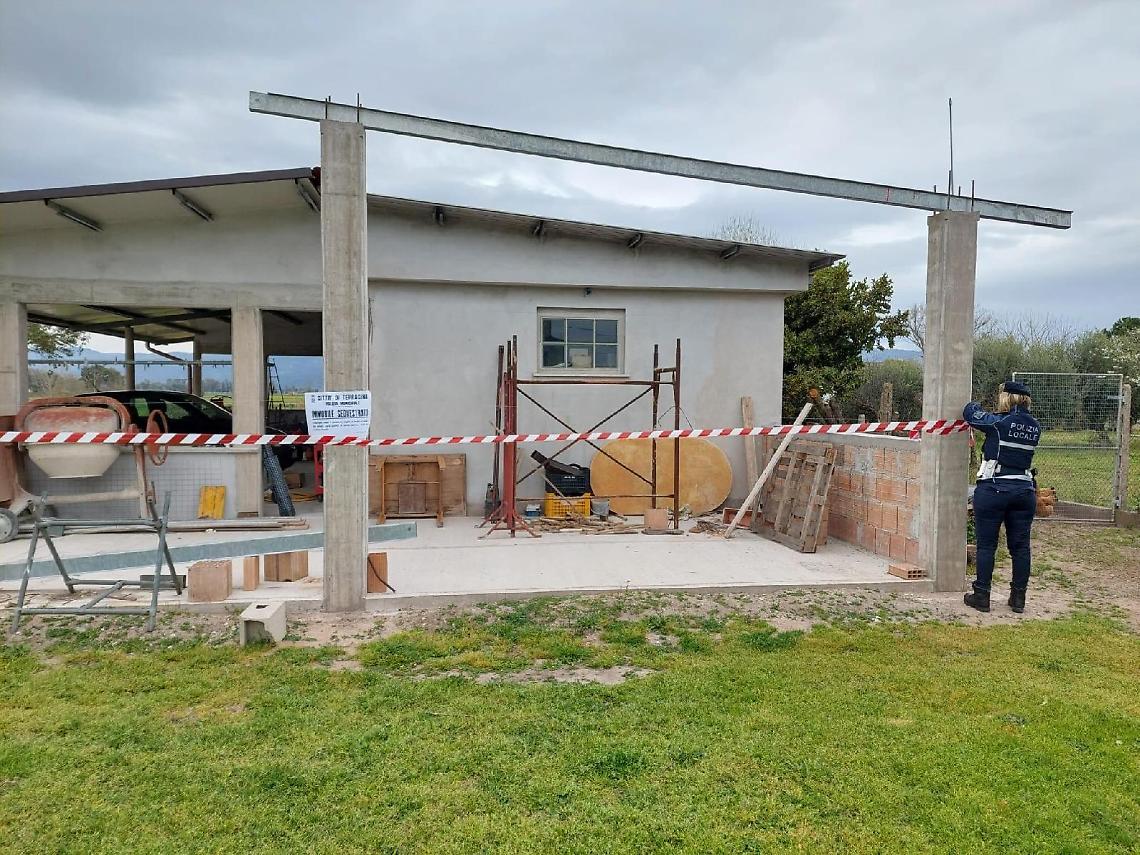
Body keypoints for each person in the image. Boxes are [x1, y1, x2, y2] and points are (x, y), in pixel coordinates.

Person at [962, 381, 1042, 613]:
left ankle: (982, 596)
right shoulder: (1036, 426)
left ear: (1007, 398)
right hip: (1024, 491)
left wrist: (974, 401)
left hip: (994, 488)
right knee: (1020, 547)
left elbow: (971, 413)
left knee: (987, 545)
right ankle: (1018, 599)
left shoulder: (999, 422)